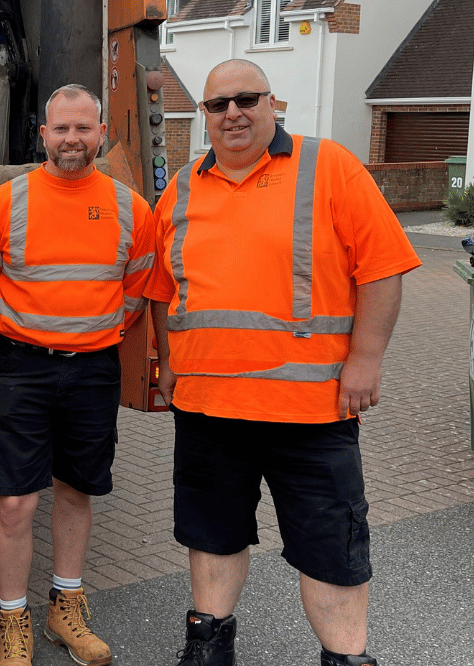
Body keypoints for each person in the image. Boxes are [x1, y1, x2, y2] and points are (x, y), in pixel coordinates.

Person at [144, 59, 422, 666]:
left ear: (274, 105)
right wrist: (168, 358)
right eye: (218, 105)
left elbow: (382, 269)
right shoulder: (183, 187)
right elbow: (164, 289)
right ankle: (208, 647)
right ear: (206, 117)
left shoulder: (330, 168)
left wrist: (366, 359)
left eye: (246, 100)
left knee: (331, 549)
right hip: (208, 409)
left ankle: (346, 658)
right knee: (211, 537)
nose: (232, 114)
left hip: (312, 411)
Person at [0, 83, 155, 666]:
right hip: (24, 368)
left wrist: (88, 336)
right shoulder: (4, 203)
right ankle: (13, 618)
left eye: (83, 127)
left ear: (101, 133)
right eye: (61, 129)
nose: (72, 138)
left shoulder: (130, 208)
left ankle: (64, 607)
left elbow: (136, 291)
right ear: (42, 135)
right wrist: (21, 338)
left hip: (94, 371)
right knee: (16, 504)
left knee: (77, 490)